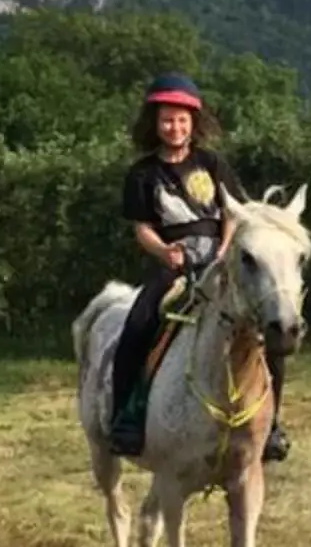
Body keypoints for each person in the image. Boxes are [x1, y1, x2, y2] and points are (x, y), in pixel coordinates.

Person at [109, 74, 290, 465]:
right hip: (174, 264)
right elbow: (142, 228)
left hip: (221, 261)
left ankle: (272, 425)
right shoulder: (142, 174)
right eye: (166, 120)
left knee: (269, 330)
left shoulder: (212, 163)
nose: (175, 127)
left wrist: (225, 250)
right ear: (154, 124)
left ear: (194, 121)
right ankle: (126, 417)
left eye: (182, 119)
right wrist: (164, 252)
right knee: (138, 325)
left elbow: (232, 213)